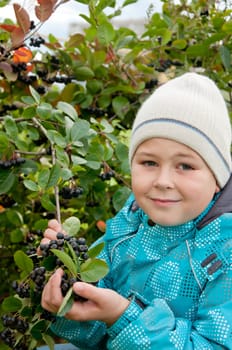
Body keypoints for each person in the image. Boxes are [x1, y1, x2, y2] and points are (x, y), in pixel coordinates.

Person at [41, 72, 232, 349]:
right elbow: (92, 333)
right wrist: (68, 286)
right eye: (149, 162)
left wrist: (122, 317)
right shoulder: (129, 222)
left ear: (217, 179)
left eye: (186, 166)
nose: (163, 181)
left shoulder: (225, 252)